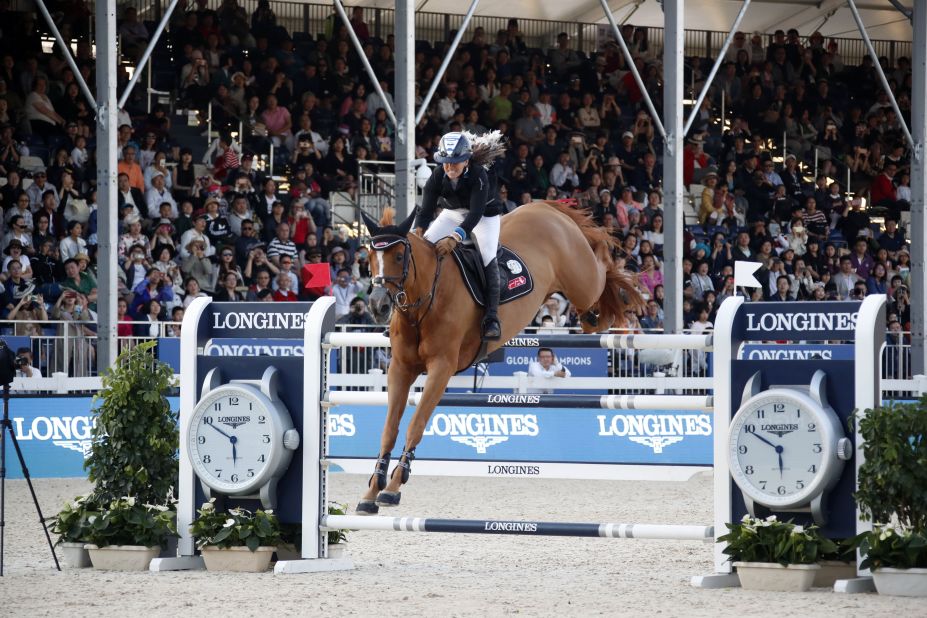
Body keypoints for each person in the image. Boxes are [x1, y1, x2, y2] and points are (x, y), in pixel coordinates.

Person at [415, 130, 506, 340]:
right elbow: (426, 210)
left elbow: (474, 214)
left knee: (487, 256)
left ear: (466, 160)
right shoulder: (438, 174)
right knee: (424, 246)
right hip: (452, 214)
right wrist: (419, 232)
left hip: (484, 216)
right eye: (446, 162)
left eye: (455, 162)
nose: (449, 167)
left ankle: (492, 318)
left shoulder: (479, 175)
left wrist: (454, 238)